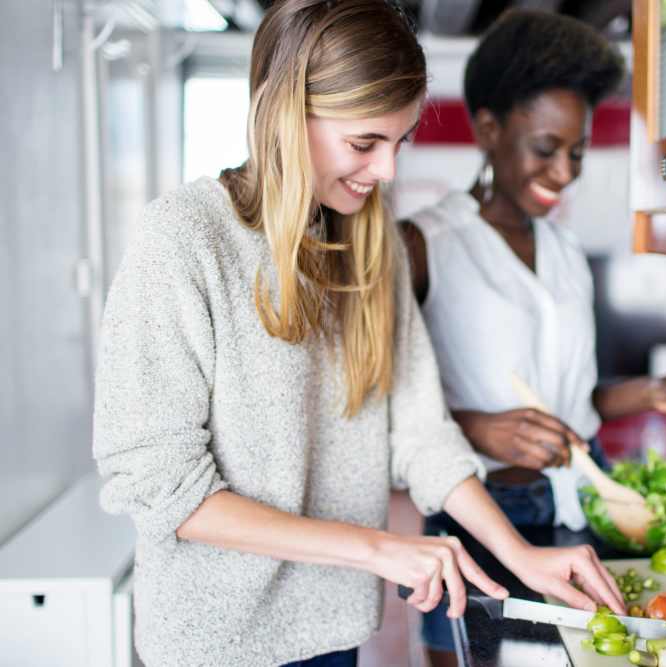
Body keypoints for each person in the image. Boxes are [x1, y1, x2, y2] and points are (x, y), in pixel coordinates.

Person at [92, 2, 624, 666]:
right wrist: (379, 546)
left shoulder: (372, 249)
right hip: (214, 642)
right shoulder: (183, 238)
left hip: (332, 628)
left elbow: (421, 431)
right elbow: (163, 486)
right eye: (365, 143)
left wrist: (522, 554)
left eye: (399, 143)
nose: (387, 172)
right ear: (286, 113)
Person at [399, 10, 666, 665]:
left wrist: (655, 392)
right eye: (546, 148)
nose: (565, 172)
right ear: (488, 128)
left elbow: (574, 396)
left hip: (573, 502)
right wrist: (479, 427)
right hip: (477, 511)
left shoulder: (566, 251)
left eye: (577, 152)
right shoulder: (424, 244)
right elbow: (381, 410)